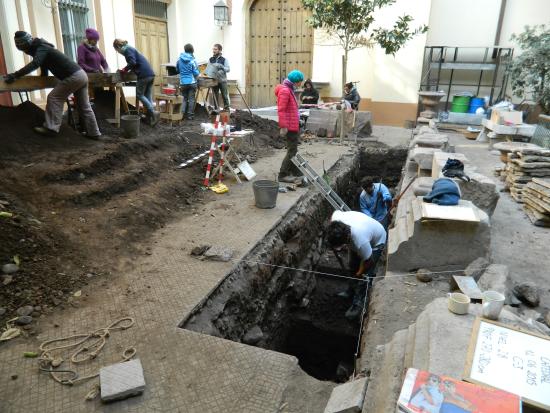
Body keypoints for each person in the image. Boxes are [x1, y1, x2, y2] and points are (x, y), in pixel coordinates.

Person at [3, 31, 101, 138]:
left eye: (24, 49)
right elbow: (44, 64)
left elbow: (36, 63)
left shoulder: (41, 47)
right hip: (81, 75)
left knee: (54, 97)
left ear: (27, 44)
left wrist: (15, 75)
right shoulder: (42, 47)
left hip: (73, 77)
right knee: (84, 106)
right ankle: (94, 133)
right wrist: (43, 76)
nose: (25, 51)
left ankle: (51, 128)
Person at [326, 210, 386, 319]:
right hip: (363, 232)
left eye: (341, 246)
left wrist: (359, 272)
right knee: (352, 265)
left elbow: (369, 261)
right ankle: (351, 290)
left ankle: (357, 304)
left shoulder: (360, 241)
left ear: (347, 239)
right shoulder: (336, 220)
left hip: (377, 241)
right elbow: (335, 212)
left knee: (365, 276)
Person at [113, 39, 159, 126]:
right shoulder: (131, 48)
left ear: (118, 47)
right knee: (147, 95)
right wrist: (128, 70)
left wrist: (124, 69)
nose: (118, 52)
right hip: (150, 74)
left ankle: (153, 112)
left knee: (139, 95)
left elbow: (132, 62)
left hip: (144, 75)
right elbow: (135, 63)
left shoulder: (127, 50)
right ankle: (151, 116)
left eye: (117, 50)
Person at [275, 69, 305, 183]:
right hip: (289, 126)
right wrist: (283, 126)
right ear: (295, 81)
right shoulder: (285, 91)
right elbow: (281, 110)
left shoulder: (289, 89)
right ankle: (282, 174)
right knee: (291, 150)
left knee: (294, 149)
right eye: (300, 82)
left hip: (293, 124)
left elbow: (291, 109)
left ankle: (294, 170)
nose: (300, 84)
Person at [176, 43, 199, 120]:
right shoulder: (192, 60)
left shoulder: (179, 60)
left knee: (184, 99)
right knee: (191, 99)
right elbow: (196, 72)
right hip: (192, 82)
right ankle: (190, 116)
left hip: (183, 83)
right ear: (192, 50)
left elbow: (177, 70)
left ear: (185, 49)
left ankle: (181, 115)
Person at [209, 43, 230, 110]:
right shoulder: (211, 59)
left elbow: (228, 69)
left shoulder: (224, 59)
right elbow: (208, 69)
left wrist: (222, 67)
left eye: (215, 49)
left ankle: (227, 109)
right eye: (213, 49)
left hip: (222, 81)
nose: (214, 50)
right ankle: (216, 110)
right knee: (215, 96)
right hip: (214, 81)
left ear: (220, 50)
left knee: (224, 95)